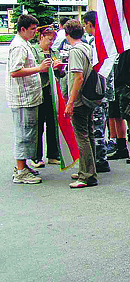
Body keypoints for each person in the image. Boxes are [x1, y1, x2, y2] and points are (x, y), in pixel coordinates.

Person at [7, 14, 51, 184]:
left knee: (29, 132)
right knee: (24, 134)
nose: (35, 33)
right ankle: (20, 171)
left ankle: (23, 166)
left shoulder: (25, 44)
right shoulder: (19, 46)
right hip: (22, 97)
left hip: (30, 96)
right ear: (23, 29)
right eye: (32, 30)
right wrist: (38, 68)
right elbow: (15, 71)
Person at [64, 20, 99, 188]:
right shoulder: (87, 47)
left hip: (79, 98)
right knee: (89, 134)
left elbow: (78, 77)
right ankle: (89, 168)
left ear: (67, 34)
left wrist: (70, 103)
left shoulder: (75, 51)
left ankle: (86, 175)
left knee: (82, 136)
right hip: (88, 96)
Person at [82, 11, 112, 173]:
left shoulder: (97, 41)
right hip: (105, 89)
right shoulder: (105, 40)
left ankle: (100, 160)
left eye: (85, 24)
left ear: (89, 23)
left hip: (99, 90)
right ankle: (100, 158)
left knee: (97, 127)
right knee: (101, 125)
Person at [30, 24, 62, 167]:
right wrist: (44, 67)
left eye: (53, 40)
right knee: (38, 125)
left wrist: (60, 68)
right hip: (39, 90)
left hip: (52, 90)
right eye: (49, 39)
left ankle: (53, 154)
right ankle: (36, 156)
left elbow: (60, 73)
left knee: (53, 123)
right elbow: (33, 68)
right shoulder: (33, 51)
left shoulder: (54, 51)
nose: (51, 42)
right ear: (41, 37)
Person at [106, 46, 130, 164]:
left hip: (125, 84)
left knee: (129, 116)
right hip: (114, 82)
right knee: (116, 115)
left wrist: (129, 82)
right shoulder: (112, 43)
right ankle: (121, 147)